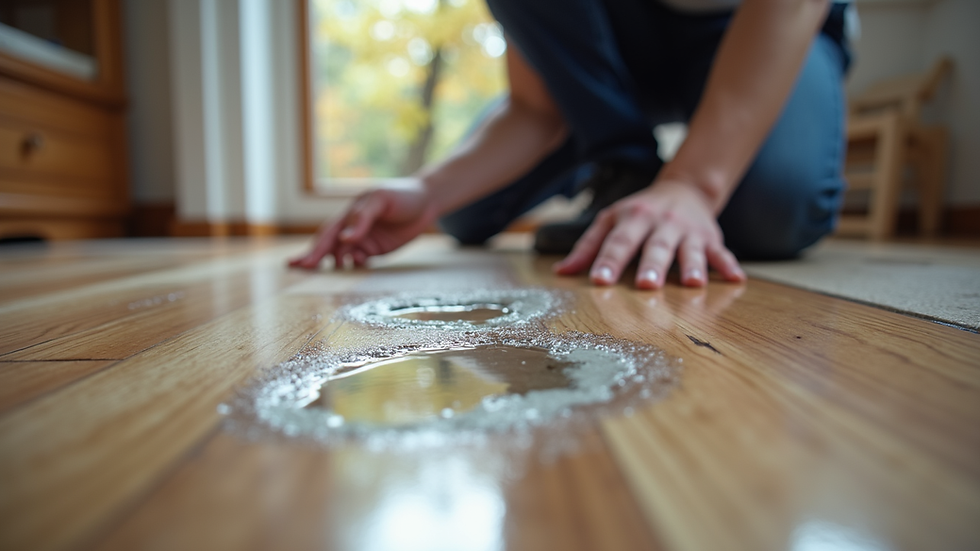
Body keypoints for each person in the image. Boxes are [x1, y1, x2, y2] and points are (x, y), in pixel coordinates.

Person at [290, 0, 852, 289]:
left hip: (760, 28)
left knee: (770, 211)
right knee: (464, 213)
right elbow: (536, 108)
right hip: (619, 52)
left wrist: (693, 185)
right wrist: (428, 190)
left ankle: (648, 177)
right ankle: (618, 165)